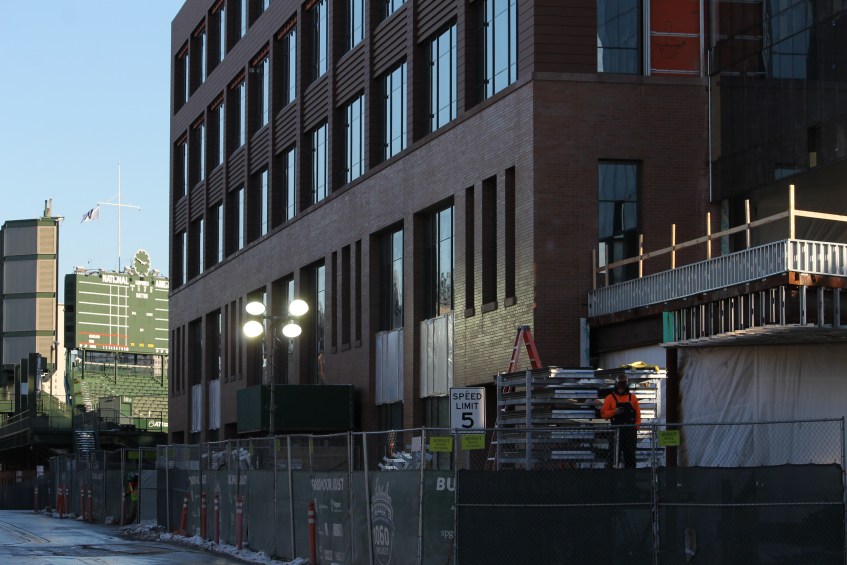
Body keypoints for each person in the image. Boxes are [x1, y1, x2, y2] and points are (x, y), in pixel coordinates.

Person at [600, 374, 641, 468]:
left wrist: (636, 427)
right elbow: (603, 413)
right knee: (614, 458)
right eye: (619, 387)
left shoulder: (633, 397)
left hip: (630, 431)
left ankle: (630, 480)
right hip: (616, 431)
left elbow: (638, 414)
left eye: (623, 387)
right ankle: (613, 479)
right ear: (616, 385)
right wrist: (613, 412)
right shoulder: (609, 398)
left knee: (630, 457)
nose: (621, 390)